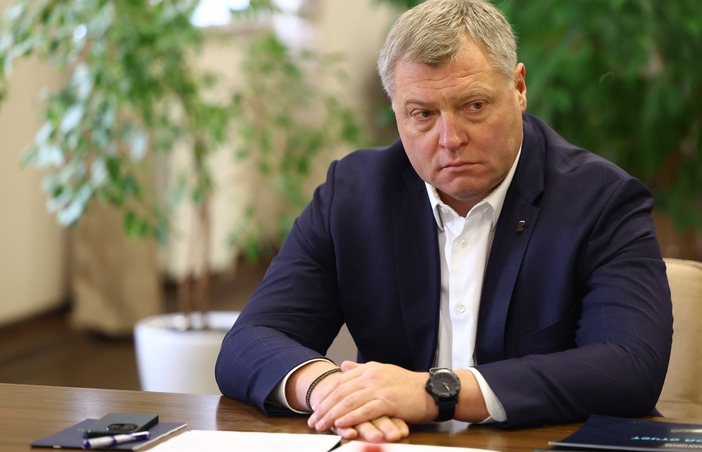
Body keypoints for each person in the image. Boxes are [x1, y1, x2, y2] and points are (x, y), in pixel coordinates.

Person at [216, 0, 672, 444]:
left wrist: (435, 393)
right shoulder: (353, 195)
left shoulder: (601, 201)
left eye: (474, 106)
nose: (450, 139)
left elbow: (629, 366)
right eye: (423, 114)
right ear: (397, 112)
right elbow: (249, 342)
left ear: (518, 88)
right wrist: (332, 391)